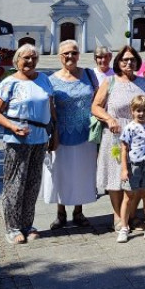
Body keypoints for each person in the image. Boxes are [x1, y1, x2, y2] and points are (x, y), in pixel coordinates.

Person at [0, 44, 57, 244]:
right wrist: (12, 126)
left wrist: (55, 134)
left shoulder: (44, 79)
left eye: (34, 58)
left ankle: (28, 224)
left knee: (33, 183)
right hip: (17, 140)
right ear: (17, 61)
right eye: (26, 58)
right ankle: (13, 227)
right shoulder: (9, 83)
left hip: (40, 138)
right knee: (15, 184)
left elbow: (51, 109)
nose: (30, 61)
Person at [92, 46, 145, 231]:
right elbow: (95, 107)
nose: (129, 63)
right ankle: (118, 216)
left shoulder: (144, 83)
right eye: (125, 59)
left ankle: (132, 216)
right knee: (115, 176)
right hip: (115, 136)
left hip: (140, 139)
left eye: (132, 59)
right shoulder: (110, 81)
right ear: (118, 62)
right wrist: (109, 119)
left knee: (136, 176)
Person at [42, 40, 97, 230]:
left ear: (78, 54)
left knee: (82, 173)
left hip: (86, 133)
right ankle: (61, 213)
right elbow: (49, 109)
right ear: (60, 56)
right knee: (61, 173)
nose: (70, 57)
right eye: (66, 54)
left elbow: (99, 100)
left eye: (73, 53)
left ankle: (79, 211)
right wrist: (52, 132)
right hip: (62, 133)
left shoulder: (89, 75)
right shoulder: (51, 80)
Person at [118, 94, 145, 242]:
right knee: (128, 197)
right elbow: (124, 149)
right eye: (138, 110)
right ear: (132, 111)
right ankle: (124, 227)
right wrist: (124, 169)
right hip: (133, 165)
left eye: (143, 110)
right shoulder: (129, 128)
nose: (141, 113)